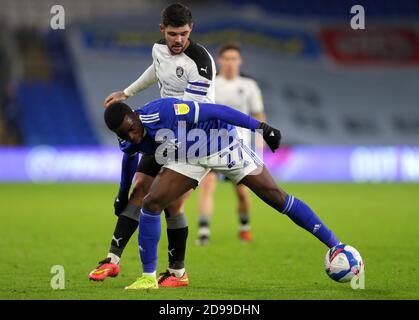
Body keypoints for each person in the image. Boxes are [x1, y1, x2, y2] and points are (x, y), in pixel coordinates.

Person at [103, 97, 341, 290]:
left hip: (222, 143)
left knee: (276, 197)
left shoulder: (165, 110)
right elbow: (129, 161)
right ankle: (147, 278)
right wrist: (122, 194)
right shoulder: (127, 139)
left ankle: (335, 245)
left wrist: (261, 128)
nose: (132, 136)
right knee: (152, 203)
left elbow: (216, 110)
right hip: (189, 157)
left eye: (132, 129)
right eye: (125, 134)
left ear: (135, 115)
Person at [89, 3, 216, 287]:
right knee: (140, 190)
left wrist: (153, 119)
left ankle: (176, 272)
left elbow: (187, 110)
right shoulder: (159, 49)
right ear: (162, 30)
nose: (178, 40)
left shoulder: (201, 62)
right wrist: (127, 92)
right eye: (172, 34)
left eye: (183, 33)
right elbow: (156, 70)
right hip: (161, 130)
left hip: (192, 139)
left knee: (170, 204)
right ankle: (112, 259)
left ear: (191, 29)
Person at [196, 43, 265, 245]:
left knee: (243, 192)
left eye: (234, 58)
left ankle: (244, 227)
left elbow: (259, 115)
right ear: (219, 60)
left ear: (240, 61)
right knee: (207, 186)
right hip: (211, 143)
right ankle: (203, 232)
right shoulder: (211, 84)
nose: (230, 62)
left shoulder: (249, 85)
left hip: (239, 146)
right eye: (226, 58)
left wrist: (259, 144)